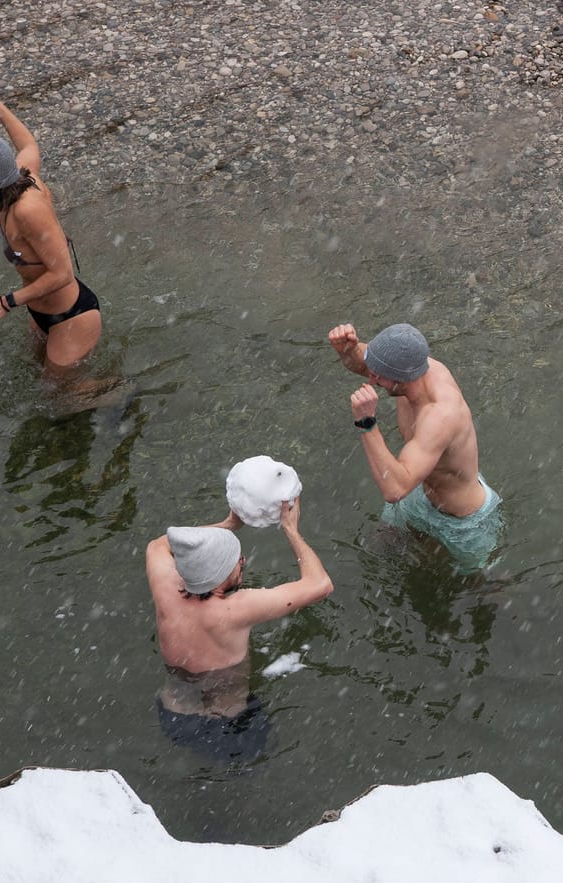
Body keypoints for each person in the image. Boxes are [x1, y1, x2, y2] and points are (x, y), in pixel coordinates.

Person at [144, 499, 333, 757]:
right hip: (230, 726)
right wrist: (291, 529)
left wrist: (228, 524)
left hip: (175, 716)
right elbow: (320, 584)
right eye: (237, 561)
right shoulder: (236, 610)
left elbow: (159, 545)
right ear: (221, 574)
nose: (243, 562)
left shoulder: (166, 588)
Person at [0, 60, 102, 369]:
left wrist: (5, 303)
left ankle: (124, 394)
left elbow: (61, 274)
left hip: (72, 315)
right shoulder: (21, 173)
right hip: (40, 311)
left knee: (62, 402)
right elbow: (28, 142)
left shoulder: (28, 210)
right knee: (36, 380)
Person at [329, 322, 503, 566]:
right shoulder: (410, 367)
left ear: (401, 378)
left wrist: (366, 422)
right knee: (382, 548)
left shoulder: (439, 415)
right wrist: (347, 350)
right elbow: (367, 364)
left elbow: (394, 490)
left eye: (376, 375)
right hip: (419, 493)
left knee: (477, 589)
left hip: (462, 520)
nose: (370, 378)